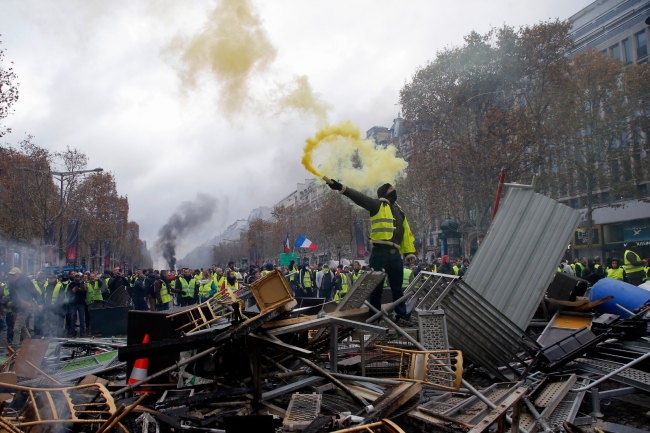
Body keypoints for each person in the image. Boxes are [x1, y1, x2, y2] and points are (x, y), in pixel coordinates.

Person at [327, 180, 416, 322]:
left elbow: (406, 233)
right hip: (379, 253)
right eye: (390, 188)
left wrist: (409, 252)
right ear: (384, 193)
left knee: (397, 289)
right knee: (376, 289)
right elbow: (359, 197)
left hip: (395, 255)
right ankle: (375, 317)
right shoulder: (376, 205)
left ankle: (401, 315)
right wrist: (341, 187)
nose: (393, 189)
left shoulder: (400, 212)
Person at [5, 268, 40, 348]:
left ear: (19, 274)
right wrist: (6, 301)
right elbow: (12, 296)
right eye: (11, 275)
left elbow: (35, 292)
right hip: (15, 308)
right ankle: (30, 344)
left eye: (13, 275)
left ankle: (14, 348)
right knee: (23, 328)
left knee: (16, 329)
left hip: (24, 307)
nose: (12, 276)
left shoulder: (26, 281)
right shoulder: (11, 283)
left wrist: (40, 303)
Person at [66, 273, 87, 337]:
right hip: (73, 304)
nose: (77, 278)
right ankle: (72, 331)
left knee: (81, 319)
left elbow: (85, 293)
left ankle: (82, 332)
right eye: (76, 277)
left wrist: (81, 290)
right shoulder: (71, 284)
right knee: (72, 318)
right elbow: (67, 294)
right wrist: (72, 291)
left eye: (78, 277)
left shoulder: (83, 284)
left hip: (81, 303)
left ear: (80, 277)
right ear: (74, 277)